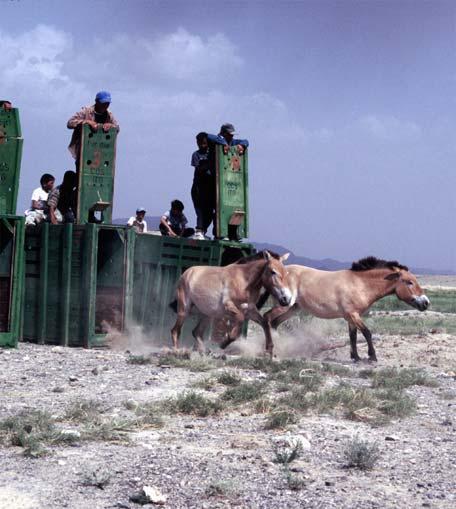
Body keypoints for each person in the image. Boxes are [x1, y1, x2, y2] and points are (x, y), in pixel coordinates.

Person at [67, 91, 119, 171]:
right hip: (84, 150)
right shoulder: (86, 111)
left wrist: (111, 126)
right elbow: (70, 123)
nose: (105, 106)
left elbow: (117, 128)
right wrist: (86, 122)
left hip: (101, 152)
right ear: (97, 102)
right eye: (103, 103)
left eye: (107, 103)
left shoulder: (109, 115)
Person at [190, 132, 214, 240]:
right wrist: (208, 165)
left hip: (209, 189)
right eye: (199, 143)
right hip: (198, 187)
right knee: (200, 211)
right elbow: (198, 169)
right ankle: (199, 230)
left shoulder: (213, 153)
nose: (201, 145)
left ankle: (202, 231)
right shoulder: (196, 154)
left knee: (210, 213)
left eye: (203, 142)